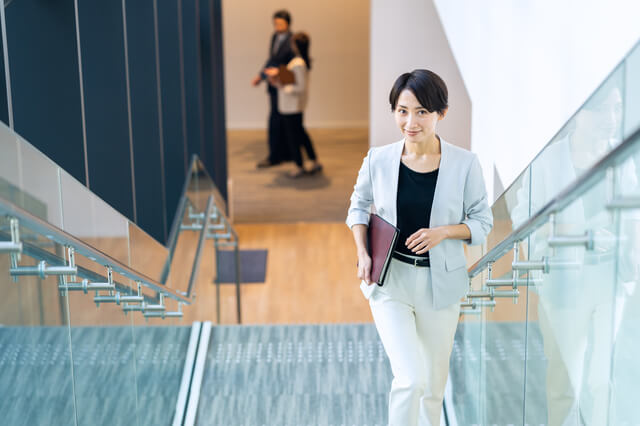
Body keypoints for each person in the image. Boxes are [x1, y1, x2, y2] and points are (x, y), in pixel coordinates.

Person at [345, 69, 493, 426]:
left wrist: (443, 232)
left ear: (440, 113)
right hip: (391, 281)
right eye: (402, 110)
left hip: (440, 287)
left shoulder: (464, 164)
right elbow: (357, 207)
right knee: (410, 379)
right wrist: (363, 253)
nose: (411, 122)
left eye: (422, 112)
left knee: (432, 386)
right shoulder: (378, 159)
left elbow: (482, 222)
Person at [265, 32, 322, 178]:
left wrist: (282, 85)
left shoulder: (298, 64)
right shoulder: (299, 62)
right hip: (291, 106)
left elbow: (299, 87)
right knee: (300, 134)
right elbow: (292, 82)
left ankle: (299, 165)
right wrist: (278, 80)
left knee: (294, 137)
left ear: (296, 45)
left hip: (292, 107)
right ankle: (313, 161)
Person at [251, 9, 295, 168]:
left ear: (288, 24)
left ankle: (278, 155)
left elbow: (294, 66)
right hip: (274, 85)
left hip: (284, 86)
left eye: (280, 23)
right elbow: (272, 60)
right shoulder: (275, 37)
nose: (277, 26)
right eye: (275, 23)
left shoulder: (293, 40)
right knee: (277, 119)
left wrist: (276, 75)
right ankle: (279, 154)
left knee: (280, 121)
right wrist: (261, 76)